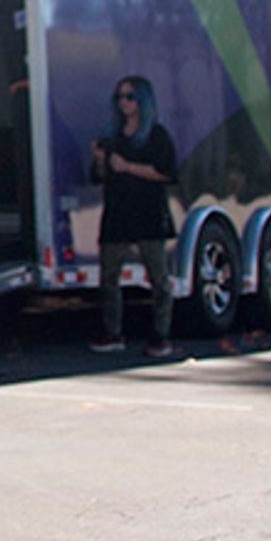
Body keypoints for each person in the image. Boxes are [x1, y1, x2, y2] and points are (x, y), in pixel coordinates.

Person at [91, 73, 179, 356]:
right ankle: (113, 332)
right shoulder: (112, 138)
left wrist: (128, 167)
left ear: (143, 100)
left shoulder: (156, 135)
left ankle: (160, 335)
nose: (124, 103)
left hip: (148, 212)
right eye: (119, 97)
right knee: (108, 276)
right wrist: (100, 160)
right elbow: (100, 177)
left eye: (130, 97)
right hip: (117, 212)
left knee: (158, 277)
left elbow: (165, 172)